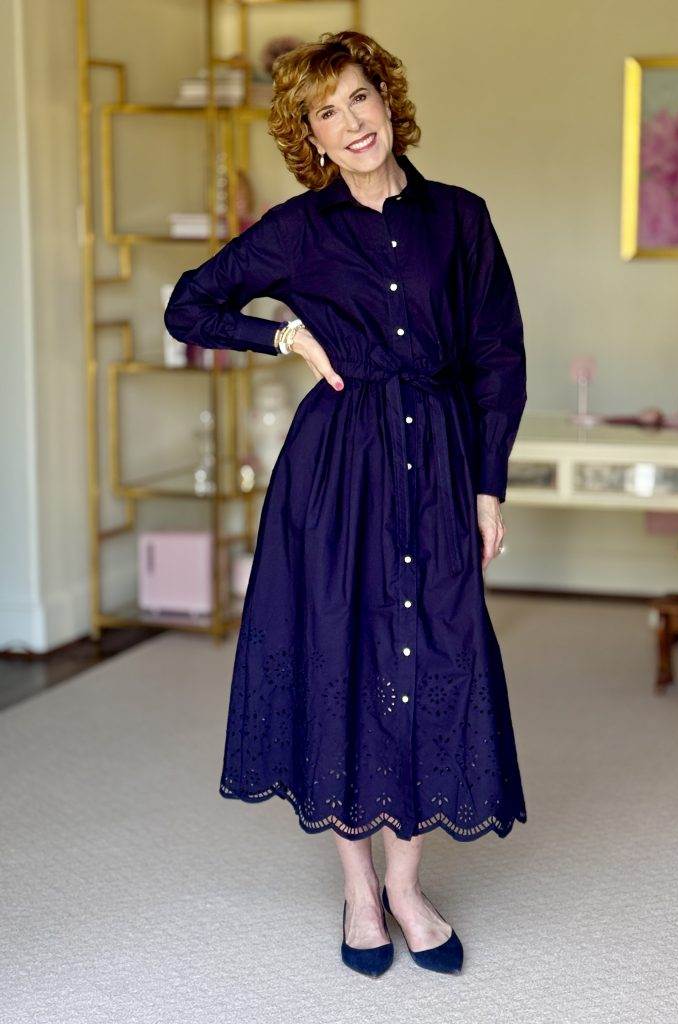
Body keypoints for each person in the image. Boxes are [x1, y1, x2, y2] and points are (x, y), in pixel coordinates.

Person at [164, 29, 528, 979]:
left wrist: (488, 482)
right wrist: (285, 337)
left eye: (359, 98)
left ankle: (408, 885)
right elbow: (188, 304)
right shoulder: (299, 229)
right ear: (310, 137)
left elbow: (498, 358)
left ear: (387, 102)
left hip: (440, 464)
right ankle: (360, 892)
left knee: (437, 655)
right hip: (336, 473)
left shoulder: (462, 217)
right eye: (326, 113)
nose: (350, 122)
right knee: (343, 655)